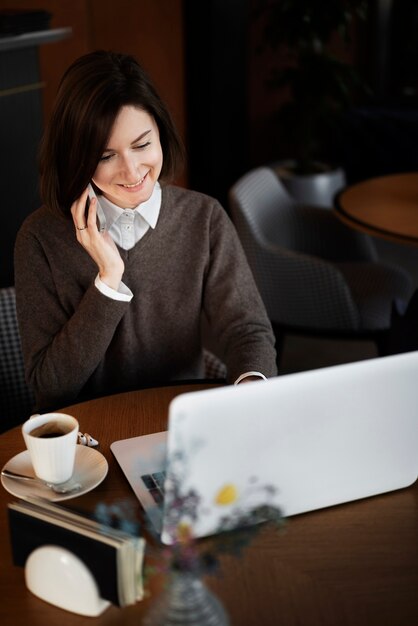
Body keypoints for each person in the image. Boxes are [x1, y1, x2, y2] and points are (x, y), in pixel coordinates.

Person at [14, 50, 277, 412]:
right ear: (75, 156)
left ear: (161, 133)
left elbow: (248, 331)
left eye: (142, 145)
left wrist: (252, 388)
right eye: (106, 156)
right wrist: (108, 281)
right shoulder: (39, 238)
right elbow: (50, 388)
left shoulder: (203, 217)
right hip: (88, 442)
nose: (132, 170)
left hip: (181, 425)